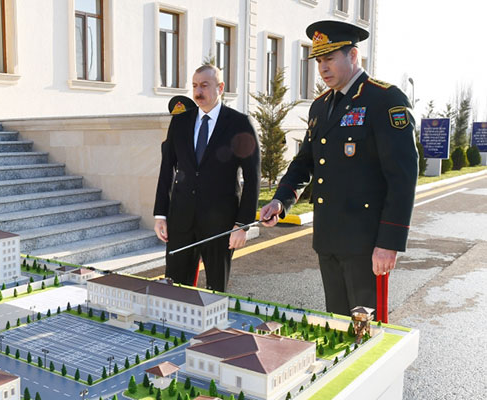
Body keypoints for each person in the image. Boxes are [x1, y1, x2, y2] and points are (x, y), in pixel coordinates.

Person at [260, 20, 418, 316]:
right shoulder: (320, 106)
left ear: (353, 56)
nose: (322, 68)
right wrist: (281, 200)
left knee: (366, 330)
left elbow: (402, 176)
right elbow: (306, 161)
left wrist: (389, 242)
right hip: (328, 239)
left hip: (366, 245)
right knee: (337, 324)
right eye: (319, 60)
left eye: (330, 58)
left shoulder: (384, 99)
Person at [153, 65, 260, 292]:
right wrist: (161, 214)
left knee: (215, 291)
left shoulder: (239, 123)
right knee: (174, 289)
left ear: (220, 87)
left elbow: (252, 177)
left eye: (204, 85)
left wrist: (242, 225)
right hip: (181, 221)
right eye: (194, 86)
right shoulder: (180, 122)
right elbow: (166, 170)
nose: (198, 91)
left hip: (220, 225)